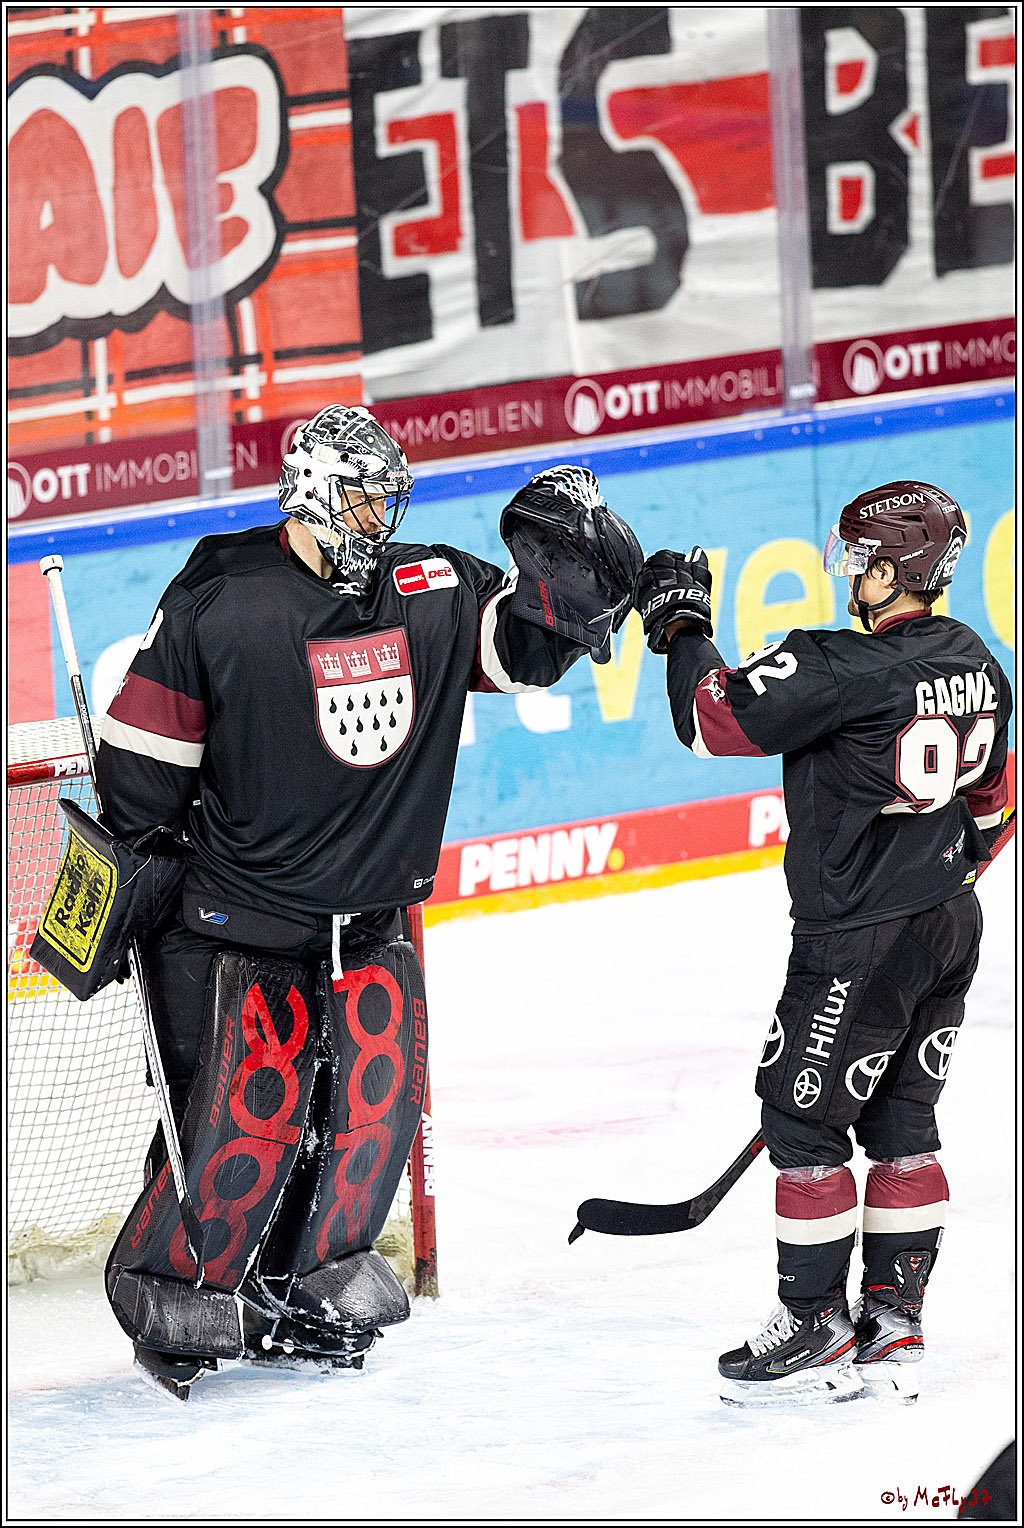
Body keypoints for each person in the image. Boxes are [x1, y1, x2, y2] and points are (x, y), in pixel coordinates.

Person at [94, 404, 642, 1399]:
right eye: (359, 498)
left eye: (388, 498)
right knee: (235, 1122)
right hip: (232, 926)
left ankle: (303, 1281)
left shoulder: (426, 584)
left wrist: (583, 580)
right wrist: (146, 887)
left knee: (363, 1118)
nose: (377, 518)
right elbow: (141, 774)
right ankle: (179, 1287)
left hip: (368, 922)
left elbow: (521, 649)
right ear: (307, 491)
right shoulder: (220, 589)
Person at [633, 480, 1012, 1406]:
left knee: (803, 1124)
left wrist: (682, 628)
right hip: (948, 926)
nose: (851, 575)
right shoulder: (978, 659)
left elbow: (711, 722)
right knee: (903, 1125)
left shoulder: (835, 664)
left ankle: (813, 1323)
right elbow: (996, 803)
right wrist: (939, 879)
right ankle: (893, 1319)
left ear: (895, 569)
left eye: (862, 560)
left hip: (854, 942)